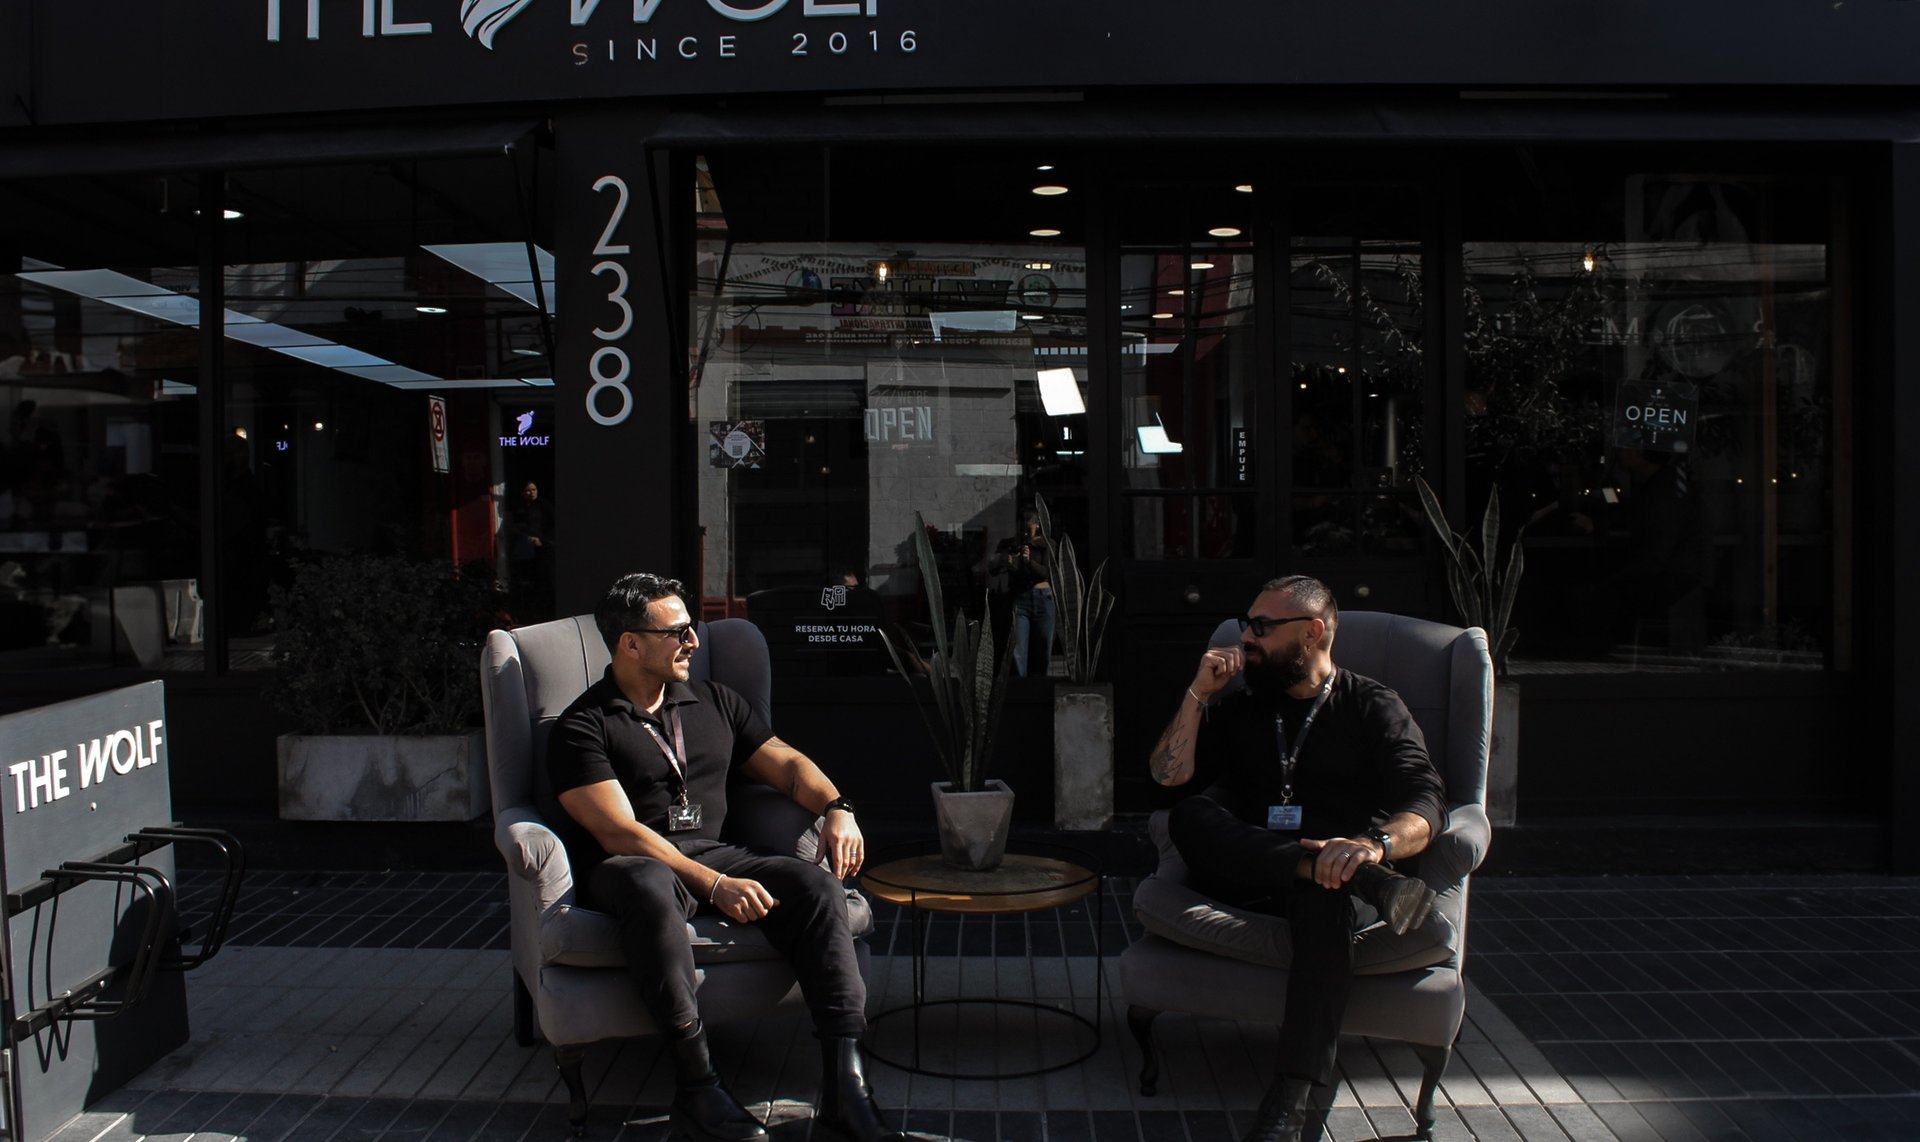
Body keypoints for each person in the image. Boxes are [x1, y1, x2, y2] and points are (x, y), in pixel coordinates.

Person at [547, 573, 919, 1142]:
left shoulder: (715, 699)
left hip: (718, 852)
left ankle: (846, 1090)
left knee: (817, 888)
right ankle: (697, 1090)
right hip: (636, 865)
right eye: (678, 632)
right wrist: (713, 884)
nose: (694, 641)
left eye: (692, 629)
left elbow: (788, 766)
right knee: (646, 883)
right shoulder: (583, 726)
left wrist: (838, 808)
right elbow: (619, 832)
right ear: (631, 643)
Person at [1147, 575, 1447, 1142]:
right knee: (1190, 815)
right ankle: (1356, 877)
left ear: (1312, 632)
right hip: (1246, 869)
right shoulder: (1243, 704)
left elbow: (1427, 800)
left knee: (1323, 898)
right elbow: (1168, 778)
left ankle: (1291, 1098)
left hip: (1333, 881)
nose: (1246, 637)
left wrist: (1373, 846)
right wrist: (1198, 693)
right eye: (1245, 624)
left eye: (1262, 626)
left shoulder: (1372, 706)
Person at [998, 509, 1054, 677]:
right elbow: (996, 568)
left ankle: (1038, 692)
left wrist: (1029, 561)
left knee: (1042, 651)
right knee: (1018, 652)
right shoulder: (1014, 545)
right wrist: (1007, 561)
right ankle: (1021, 691)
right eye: (1022, 525)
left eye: (1028, 525)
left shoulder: (1047, 544)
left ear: (1037, 525)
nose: (1025, 530)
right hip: (1021, 599)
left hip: (1043, 598)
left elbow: (1045, 573)